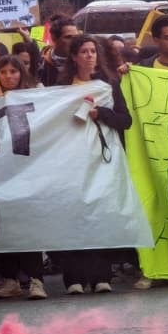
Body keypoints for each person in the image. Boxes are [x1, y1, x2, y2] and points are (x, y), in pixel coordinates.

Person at [55, 35, 133, 294]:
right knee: (75, 215)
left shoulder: (109, 84)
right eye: (84, 52)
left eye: (93, 51)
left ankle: (102, 276)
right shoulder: (62, 85)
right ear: (74, 57)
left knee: (100, 214)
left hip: (102, 156)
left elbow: (125, 120)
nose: (90, 56)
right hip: (72, 158)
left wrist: (102, 115)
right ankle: (74, 278)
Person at [0, 58, 50, 300]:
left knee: (28, 226)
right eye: (2, 72)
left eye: (13, 71)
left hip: (28, 170)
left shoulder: (37, 96)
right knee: (6, 227)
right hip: (0, 172)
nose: (8, 76)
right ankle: (10, 279)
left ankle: (36, 280)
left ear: (21, 73)